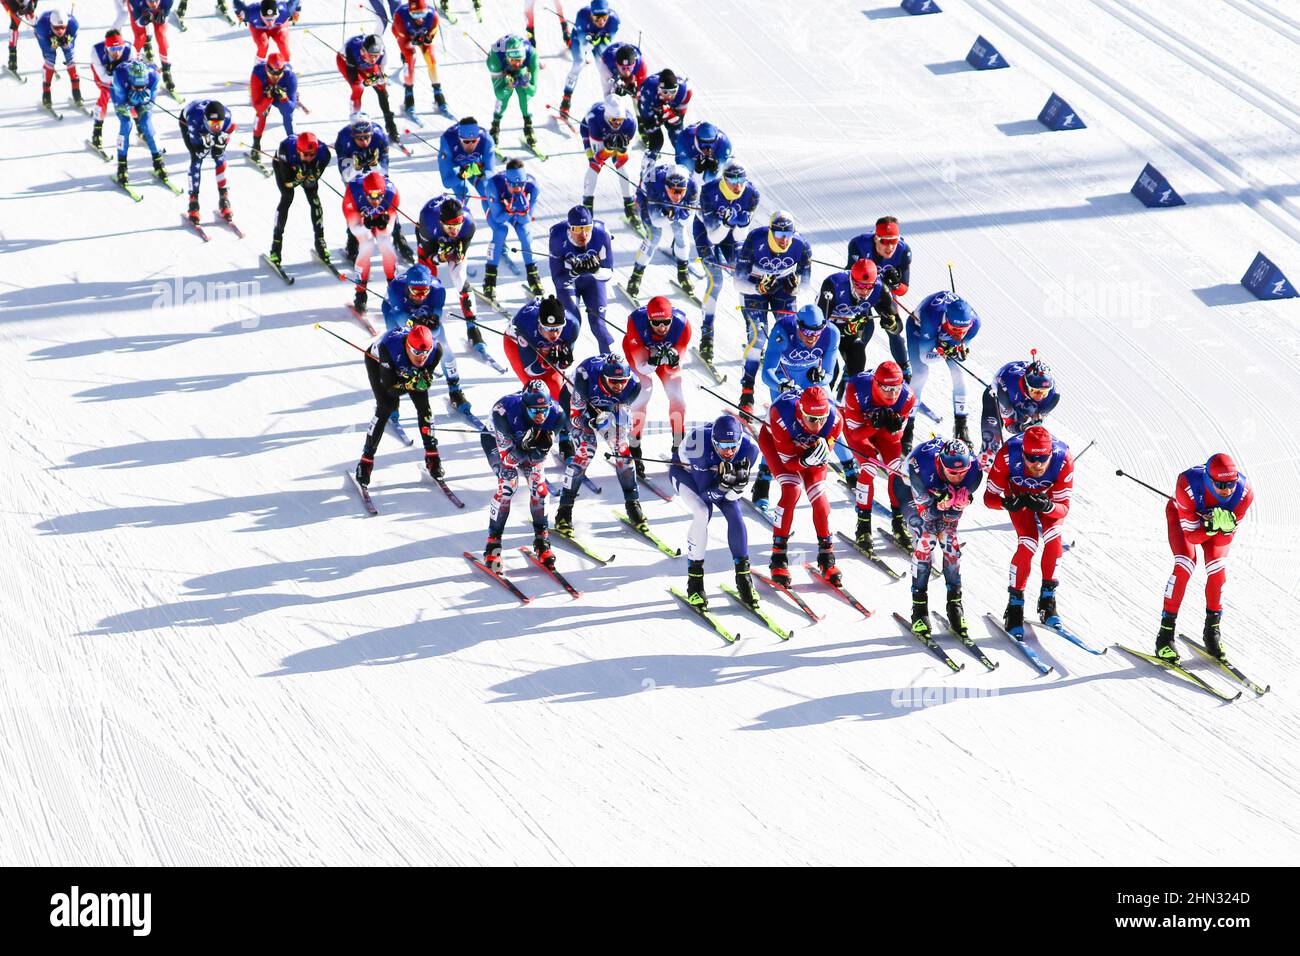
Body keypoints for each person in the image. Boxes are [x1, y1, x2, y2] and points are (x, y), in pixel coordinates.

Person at [1155, 453, 1254, 663]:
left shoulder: (1244, 494)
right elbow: (1191, 535)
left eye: (1231, 484)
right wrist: (1211, 526)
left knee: (1218, 570)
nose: (1227, 490)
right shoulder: (1187, 484)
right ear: (1209, 479)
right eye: (1220, 484)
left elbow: (1220, 543)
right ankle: (1164, 635)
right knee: (1185, 563)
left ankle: (1212, 632)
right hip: (1184, 520)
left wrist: (1223, 529)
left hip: (1213, 529)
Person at [983, 425, 1075, 637]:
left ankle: (1048, 600)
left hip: (1047, 498)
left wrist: (1047, 506)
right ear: (1022, 453)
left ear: (1051, 453)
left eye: (1043, 459)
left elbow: (1064, 507)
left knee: (1053, 538)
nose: (1037, 464)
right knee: (1028, 543)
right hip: (1019, 498)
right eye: (1031, 459)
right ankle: (1015, 604)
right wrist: (1007, 503)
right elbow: (989, 498)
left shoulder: (1063, 459)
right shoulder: (1008, 454)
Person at [670, 415, 761, 610]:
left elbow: (730, 497)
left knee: (735, 514)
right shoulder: (698, 444)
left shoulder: (750, 449)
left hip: (716, 477)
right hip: (687, 475)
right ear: (713, 442)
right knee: (703, 512)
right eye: (723, 446)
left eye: (733, 446)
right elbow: (705, 495)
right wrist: (723, 487)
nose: (728, 452)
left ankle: (744, 578)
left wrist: (736, 488)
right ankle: (694, 582)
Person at [757, 385, 844, 586]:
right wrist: (805, 460)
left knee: (819, 496)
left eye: (822, 418)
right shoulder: (782, 413)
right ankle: (778, 557)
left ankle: (826, 555)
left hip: (808, 452)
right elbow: (788, 462)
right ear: (801, 411)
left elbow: (824, 451)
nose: (818, 424)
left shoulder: (835, 419)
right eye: (812, 419)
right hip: (776, 444)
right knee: (791, 490)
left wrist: (817, 454)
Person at [554, 353, 645, 533]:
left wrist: (611, 420)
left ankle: (632, 503)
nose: (619, 386)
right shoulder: (584, 376)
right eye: (613, 381)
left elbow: (621, 416)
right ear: (603, 377)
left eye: (622, 381)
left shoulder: (634, 385)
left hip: (606, 407)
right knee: (586, 450)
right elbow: (576, 418)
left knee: (622, 451)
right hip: (575, 403)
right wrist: (592, 420)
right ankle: (564, 510)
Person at [904, 438, 982, 639]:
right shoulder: (921, 468)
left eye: (961, 472)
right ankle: (919, 608)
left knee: (950, 544)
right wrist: (940, 505)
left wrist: (955, 507)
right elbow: (927, 517)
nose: (958, 477)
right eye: (953, 472)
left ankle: (955, 604)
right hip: (916, 487)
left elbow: (949, 520)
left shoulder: (974, 473)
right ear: (941, 463)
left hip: (941, 497)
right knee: (926, 540)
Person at [734, 210, 812, 413]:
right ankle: (747, 393)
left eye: (788, 234)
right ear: (770, 232)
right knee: (758, 338)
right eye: (779, 235)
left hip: (782, 291)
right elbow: (738, 281)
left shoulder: (801, 245)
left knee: (792, 338)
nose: (784, 240)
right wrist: (757, 288)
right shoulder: (755, 239)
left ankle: (792, 390)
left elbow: (805, 284)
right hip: (754, 291)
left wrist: (795, 288)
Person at [484, 381, 564, 572]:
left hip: (525, 445)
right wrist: (525, 447)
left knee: (540, 489)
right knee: (508, 485)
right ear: (524, 406)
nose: (540, 415)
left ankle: (542, 540)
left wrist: (540, 450)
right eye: (534, 410)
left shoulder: (557, 414)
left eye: (543, 410)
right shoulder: (503, 411)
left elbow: (539, 455)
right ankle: (492, 544)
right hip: (496, 441)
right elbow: (509, 459)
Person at [354, 324, 444, 487]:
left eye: (425, 352)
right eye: (417, 352)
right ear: (408, 346)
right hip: (380, 364)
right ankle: (366, 461)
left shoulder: (436, 351)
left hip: (406, 370)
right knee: (386, 406)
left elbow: (424, 378)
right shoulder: (389, 347)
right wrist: (411, 384)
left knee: (425, 408)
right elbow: (391, 389)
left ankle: (432, 456)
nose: (421, 357)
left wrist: (422, 381)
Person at [841, 361, 915, 551]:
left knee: (897, 470)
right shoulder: (856, 388)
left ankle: (899, 523)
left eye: (896, 388)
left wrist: (894, 428)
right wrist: (873, 424)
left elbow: (897, 437)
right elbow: (855, 434)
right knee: (869, 467)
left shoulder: (907, 397)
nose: (892, 394)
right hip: (860, 431)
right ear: (876, 383)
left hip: (883, 434)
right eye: (887, 388)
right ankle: (863, 527)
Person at [692, 161, 759, 361]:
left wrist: (741, 224)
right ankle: (707, 335)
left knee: (743, 279)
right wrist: (728, 223)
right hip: (707, 232)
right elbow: (713, 238)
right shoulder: (709, 192)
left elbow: (739, 237)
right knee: (716, 280)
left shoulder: (751, 194)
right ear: (723, 179)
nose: (737, 185)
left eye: (741, 180)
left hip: (731, 235)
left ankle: (753, 334)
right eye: (732, 180)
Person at [623, 296, 691, 476]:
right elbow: (642, 368)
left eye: (666, 322)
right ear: (648, 319)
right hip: (641, 356)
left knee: (678, 399)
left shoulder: (683, 324)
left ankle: (678, 447)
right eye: (656, 323)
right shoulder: (636, 322)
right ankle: (634, 448)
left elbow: (674, 368)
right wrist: (653, 360)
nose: (662, 327)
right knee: (644, 391)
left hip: (664, 355)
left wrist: (673, 359)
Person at [904, 291, 981, 450]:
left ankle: (961, 426)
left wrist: (959, 350)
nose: (959, 334)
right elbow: (925, 356)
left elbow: (960, 345)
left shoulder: (975, 323)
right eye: (955, 328)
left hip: (944, 335)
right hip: (919, 329)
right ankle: (908, 426)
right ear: (947, 319)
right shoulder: (931, 316)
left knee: (959, 372)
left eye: (963, 330)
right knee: (920, 373)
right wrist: (947, 351)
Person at [846, 215, 911, 377]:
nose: (889, 247)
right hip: (862, 292)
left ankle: (905, 370)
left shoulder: (904, 251)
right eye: (884, 241)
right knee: (865, 328)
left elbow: (903, 289)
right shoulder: (858, 245)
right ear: (876, 238)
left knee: (893, 327)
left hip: (884, 294)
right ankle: (850, 372)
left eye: (893, 241)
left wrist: (895, 283)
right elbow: (848, 277)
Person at [547, 205, 615, 351]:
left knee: (599, 325)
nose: (583, 234)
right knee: (572, 324)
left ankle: (611, 365)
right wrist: (573, 272)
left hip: (593, 281)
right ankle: (562, 364)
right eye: (577, 229)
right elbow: (558, 281)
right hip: (569, 284)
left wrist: (596, 270)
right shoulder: (557, 236)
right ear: (569, 228)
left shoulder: (602, 233)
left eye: (587, 228)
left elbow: (609, 273)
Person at [626, 163, 699, 298]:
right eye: (673, 191)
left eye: (681, 191)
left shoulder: (693, 187)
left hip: (668, 204)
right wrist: (670, 216)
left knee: (680, 232)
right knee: (654, 235)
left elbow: (688, 221)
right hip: (650, 199)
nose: (677, 196)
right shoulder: (654, 185)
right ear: (666, 187)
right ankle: (635, 277)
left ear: (686, 188)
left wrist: (677, 213)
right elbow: (655, 220)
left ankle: (683, 272)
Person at [416, 195, 479, 347]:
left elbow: (463, 246)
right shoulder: (428, 221)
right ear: (441, 222)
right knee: (427, 276)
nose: (454, 231)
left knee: (459, 278)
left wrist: (458, 253)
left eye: (457, 226)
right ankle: (424, 315)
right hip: (432, 238)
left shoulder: (469, 224)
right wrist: (441, 257)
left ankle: (473, 328)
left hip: (451, 241)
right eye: (450, 227)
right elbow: (429, 257)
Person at [978, 353, 1058, 470]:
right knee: (989, 449)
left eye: (1044, 392)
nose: (1040, 396)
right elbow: (1010, 427)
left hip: (1021, 400)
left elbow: (1036, 423)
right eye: (1035, 391)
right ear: (1026, 385)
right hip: (999, 395)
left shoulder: (1053, 396)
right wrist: (1020, 427)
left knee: (1032, 430)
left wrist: (1031, 425)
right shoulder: (1008, 386)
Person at [268, 130, 331, 266]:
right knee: (287, 197)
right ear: (298, 150)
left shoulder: (324, 153)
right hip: (284, 167)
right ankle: (276, 244)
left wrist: (312, 177)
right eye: (306, 155)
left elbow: (312, 180)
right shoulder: (285, 148)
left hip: (304, 169)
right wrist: (298, 178)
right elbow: (288, 183)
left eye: (312, 155)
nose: (309, 157)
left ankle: (320, 240)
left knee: (315, 200)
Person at [483, 159, 543, 298]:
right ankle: (489, 279)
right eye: (513, 185)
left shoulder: (533, 187)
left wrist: (523, 210)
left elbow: (526, 220)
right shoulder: (493, 185)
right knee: (500, 232)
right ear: (506, 182)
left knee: (525, 234)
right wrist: (510, 210)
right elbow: (497, 218)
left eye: (521, 185)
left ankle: (533, 277)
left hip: (513, 212)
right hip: (497, 211)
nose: (517, 189)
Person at [344, 170, 401, 312]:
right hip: (359, 217)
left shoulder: (392, 192)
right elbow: (354, 227)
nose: (376, 201)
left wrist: (385, 224)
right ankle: (360, 292)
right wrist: (364, 225)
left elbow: (390, 226)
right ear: (365, 192)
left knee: (385, 244)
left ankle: (393, 289)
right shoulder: (353, 192)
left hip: (379, 217)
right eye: (371, 197)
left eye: (379, 197)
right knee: (367, 244)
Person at [505, 295, 580, 402]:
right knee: (536, 392)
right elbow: (530, 371)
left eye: (558, 328)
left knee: (557, 392)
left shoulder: (572, 325)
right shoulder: (526, 325)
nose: (554, 334)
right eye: (548, 328)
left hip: (544, 347)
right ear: (539, 323)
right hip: (516, 345)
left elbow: (562, 362)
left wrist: (563, 364)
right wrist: (546, 363)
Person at [579, 95, 638, 227]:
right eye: (614, 120)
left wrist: (621, 151)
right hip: (591, 131)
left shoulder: (630, 123)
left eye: (620, 120)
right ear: (607, 116)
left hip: (607, 135)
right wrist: (608, 150)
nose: (618, 123)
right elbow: (598, 158)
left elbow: (623, 159)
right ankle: (587, 206)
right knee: (594, 166)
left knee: (624, 170)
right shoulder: (595, 120)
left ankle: (630, 207)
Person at [111, 58, 167, 187]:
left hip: (136, 97)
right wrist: (131, 101)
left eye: (143, 87)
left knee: (146, 124)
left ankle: (158, 162)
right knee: (126, 124)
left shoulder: (154, 77)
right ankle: (122, 167)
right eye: (137, 87)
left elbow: (150, 104)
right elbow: (122, 105)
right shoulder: (119, 76)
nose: (140, 90)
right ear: (131, 81)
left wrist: (145, 100)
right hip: (122, 96)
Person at [558, 0, 617, 118]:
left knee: (604, 69)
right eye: (597, 18)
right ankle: (566, 98)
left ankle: (611, 104)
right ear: (591, 14)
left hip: (597, 41)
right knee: (579, 63)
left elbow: (607, 43)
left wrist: (598, 39)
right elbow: (584, 46)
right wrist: (594, 39)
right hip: (580, 39)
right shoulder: (582, 15)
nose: (601, 22)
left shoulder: (614, 20)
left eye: (604, 17)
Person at [180, 100, 236, 223]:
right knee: (196, 160)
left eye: (218, 123)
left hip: (205, 120)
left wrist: (220, 146)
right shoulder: (194, 120)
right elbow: (198, 152)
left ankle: (224, 198)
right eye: (212, 123)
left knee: (220, 158)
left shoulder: (227, 120)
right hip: (191, 121)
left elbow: (219, 152)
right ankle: (193, 201)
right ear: (206, 120)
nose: (216, 126)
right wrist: (205, 146)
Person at [337, 33, 399, 139]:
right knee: (358, 88)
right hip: (346, 60)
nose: (374, 59)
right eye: (371, 55)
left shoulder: (383, 55)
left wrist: (377, 80)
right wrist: (368, 81)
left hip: (364, 64)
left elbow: (382, 76)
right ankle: (355, 123)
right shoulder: (351, 48)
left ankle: (390, 124)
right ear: (363, 51)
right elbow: (355, 79)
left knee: (382, 89)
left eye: (376, 56)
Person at [635, 68, 691, 179]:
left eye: (672, 92)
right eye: (665, 92)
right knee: (656, 142)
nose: (669, 96)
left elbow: (679, 119)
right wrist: (659, 115)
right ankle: (646, 177)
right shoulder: (649, 88)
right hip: (650, 108)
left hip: (669, 110)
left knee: (679, 141)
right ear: (658, 89)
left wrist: (671, 115)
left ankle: (685, 175)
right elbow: (648, 121)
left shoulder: (685, 91)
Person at [393, 0, 445, 114]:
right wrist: (414, 40)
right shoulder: (400, 15)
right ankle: (408, 94)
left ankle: (438, 92)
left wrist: (428, 38)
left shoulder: (433, 15)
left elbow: (432, 33)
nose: (420, 18)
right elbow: (405, 41)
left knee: (431, 59)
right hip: (405, 37)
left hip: (420, 35)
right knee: (410, 59)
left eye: (422, 13)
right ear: (409, 12)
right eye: (415, 15)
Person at [486, 33, 538, 145]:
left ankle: (528, 125)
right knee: (504, 98)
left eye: (520, 60)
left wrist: (526, 85)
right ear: (507, 58)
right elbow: (499, 94)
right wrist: (508, 87)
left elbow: (533, 91)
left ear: (524, 57)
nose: (517, 64)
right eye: (514, 60)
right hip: (500, 65)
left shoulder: (532, 54)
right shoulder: (496, 60)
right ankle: (495, 125)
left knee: (524, 93)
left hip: (510, 62)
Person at [437, 116, 495, 211]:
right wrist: (460, 176)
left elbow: (491, 172)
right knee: (463, 193)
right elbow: (447, 182)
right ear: (459, 138)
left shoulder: (487, 139)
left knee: (487, 191)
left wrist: (482, 174)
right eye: (466, 141)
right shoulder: (448, 141)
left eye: (474, 141)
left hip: (473, 164)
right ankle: (454, 219)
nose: (471, 145)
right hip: (454, 165)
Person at [89, 29, 134, 153]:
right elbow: (103, 77)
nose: (117, 52)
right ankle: (97, 130)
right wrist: (113, 73)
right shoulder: (96, 51)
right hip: (102, 74)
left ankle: (140, 126)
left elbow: (134, 73)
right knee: (106, 93)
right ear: (106, 48)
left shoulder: (130, 50)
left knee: (131, 94)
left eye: (120, 48)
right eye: (112, 50)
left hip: (120, 74)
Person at [249, 52, 297, 161]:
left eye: (279, 73)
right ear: (266, 68)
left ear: (283, 69)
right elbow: (257, 106)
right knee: (262, 113)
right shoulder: (258, 73)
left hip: (280, 98)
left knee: (288, 115)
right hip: (265, 96)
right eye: (271, 72)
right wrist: (267, 98)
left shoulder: (290, 76)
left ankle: (293, 144)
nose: (275, 76)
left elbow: (291, 107)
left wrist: (284, 99)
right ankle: (256, 145)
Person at [35, 6, 79, 111]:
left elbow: (72, 42)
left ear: (67, 25)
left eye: (63, 27)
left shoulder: (73, 24)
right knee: (50, 59)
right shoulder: (41, 26)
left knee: (71, 60)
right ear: (51, 25)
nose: (60, 31)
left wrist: (68, 43)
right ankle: (46, 94)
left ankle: (77, 93)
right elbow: (44, 47)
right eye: (56, 28)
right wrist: (51, 45)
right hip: (46, 37)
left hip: (64, 36)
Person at [126, 0, 176, 93]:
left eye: (156, 0)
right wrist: (143, 21)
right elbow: (137, 23)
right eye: (150, 1)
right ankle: (133, 68)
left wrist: (163, 17)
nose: (153, 4)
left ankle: (166, 70)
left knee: (161, 35)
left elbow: (166, 15)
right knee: (140, 38)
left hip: (156, 9)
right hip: (139, 9)